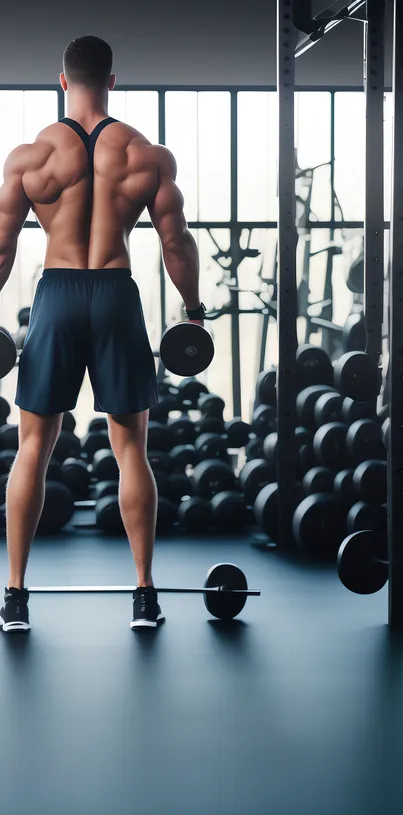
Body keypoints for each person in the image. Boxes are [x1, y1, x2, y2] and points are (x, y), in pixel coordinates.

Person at [0, 35, 203, 632]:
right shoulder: (146, 155)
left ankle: (15, 597)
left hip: (57, 294)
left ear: (62, 81)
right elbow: (175, 243)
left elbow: (3, 246)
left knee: (33, 446)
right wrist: (193, 312)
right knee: (130, 448)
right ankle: (144, 595)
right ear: (112, 80)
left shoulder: (29, 158)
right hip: (116, 295)